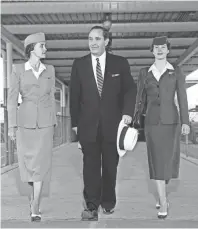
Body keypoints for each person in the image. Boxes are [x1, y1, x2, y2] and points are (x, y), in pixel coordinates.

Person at [70, 26, 137, 221]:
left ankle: (108, 202)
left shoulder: (120, 63)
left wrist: (127, 113)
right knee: (90, 168)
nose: (93, 43)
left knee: (110, 167)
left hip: (113, 126)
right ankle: (91, 206)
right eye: (90, 39)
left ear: (106, 41)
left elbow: (130, 91)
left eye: (98, 39)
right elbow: (74, 96)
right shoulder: (79, 64)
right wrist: (75, 125)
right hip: (87, 126)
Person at [135, 36, 190, 219]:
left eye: (163, 47)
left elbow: (182, 98)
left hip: (171, 122)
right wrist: (134, 120)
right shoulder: (145, 72)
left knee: (167, 163)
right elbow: (139, 98)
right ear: (152, 51)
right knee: (157, 161)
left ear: (168, 50)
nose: (159, 50)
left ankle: (161, 192)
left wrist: (186, 122)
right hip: (152, 123)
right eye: (156, 47)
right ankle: (163, 202)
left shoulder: (176, 71)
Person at [7, 32, 57, 222]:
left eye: (44, 46)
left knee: (41, 165)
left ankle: (35, 204)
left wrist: (54, 123)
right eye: (42, 46)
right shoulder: (18, 70)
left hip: (45, 124)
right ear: (31, 49)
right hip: (24, 123)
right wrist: (11, 126)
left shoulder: (50, 70)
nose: (45, 49)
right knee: (28, 164)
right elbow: (12, 100)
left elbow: (52, 98)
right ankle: (32, 195)